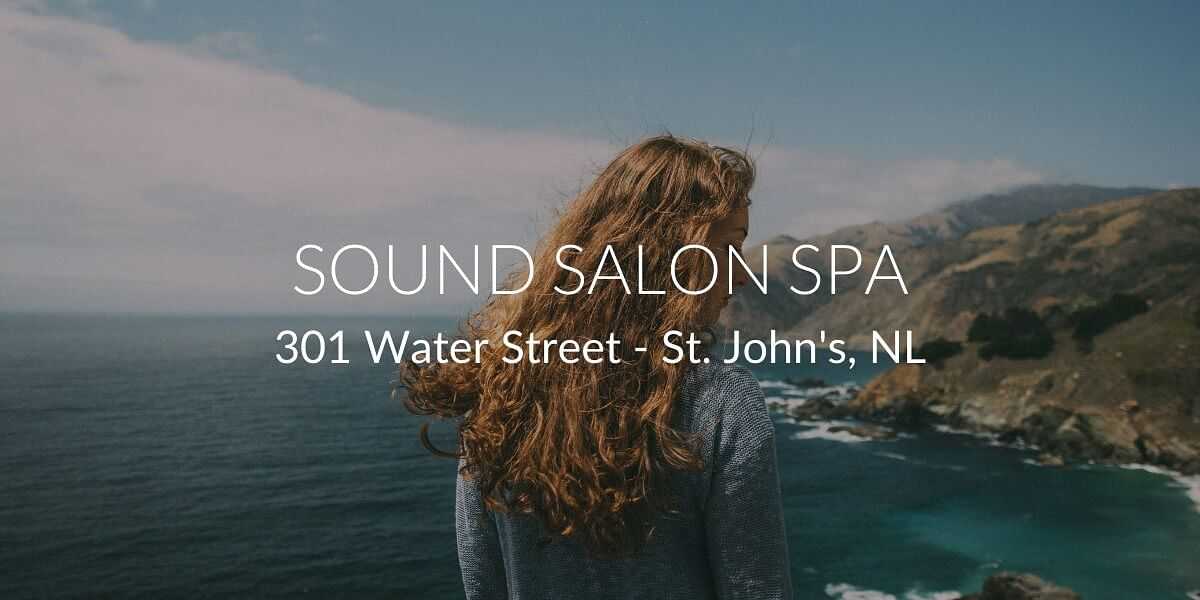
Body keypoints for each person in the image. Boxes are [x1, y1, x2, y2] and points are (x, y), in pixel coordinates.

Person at [401, 134, 792, 599]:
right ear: (667, 255)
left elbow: (482, 584)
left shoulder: (497, 388)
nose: (742, 272)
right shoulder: (723, 403)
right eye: (728, 246)